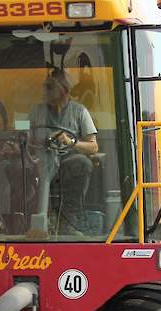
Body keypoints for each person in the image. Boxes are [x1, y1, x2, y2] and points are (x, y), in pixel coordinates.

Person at [28, 69, 99, 234]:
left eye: (50, 86)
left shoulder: (79, 112)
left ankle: (68, 222)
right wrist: (16, 145)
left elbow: (93, 147)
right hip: (39, 160)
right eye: (45, 86)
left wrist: (70, 142)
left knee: (81, 163)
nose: (45, 90)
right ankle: (19, 220)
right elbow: (25, 135)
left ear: (64, 90)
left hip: (66, 163)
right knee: (15, 166)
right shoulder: (36, 111)